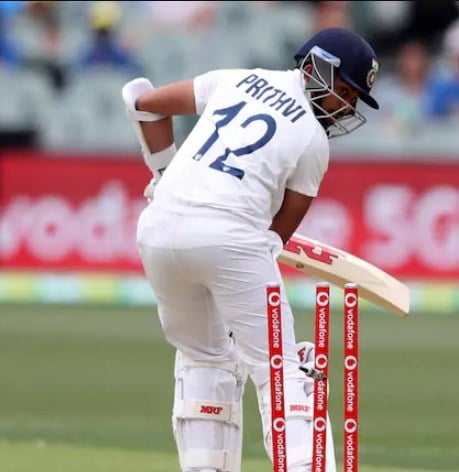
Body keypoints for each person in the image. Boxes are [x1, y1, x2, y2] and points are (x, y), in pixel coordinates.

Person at [122, 27, 380, 472]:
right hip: (232, 238)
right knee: (280, 370)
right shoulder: (313, 139)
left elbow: (142, 101)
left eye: (354, 99)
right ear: (316, 67)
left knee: (205, 361)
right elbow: (277, 235)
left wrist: (164, 174)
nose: (346, 107)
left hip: (157, 229)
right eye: (345, 92)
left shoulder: (236, 79)